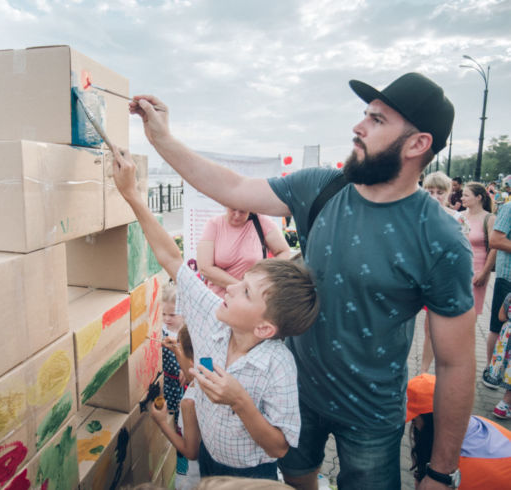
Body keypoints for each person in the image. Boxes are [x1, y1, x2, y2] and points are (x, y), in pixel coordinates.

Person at [128, 72, 476, 490]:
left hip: (372, 417)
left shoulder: (440, 238)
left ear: (419, 144)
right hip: (293, 397)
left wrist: (440, 471)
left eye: (378, 120)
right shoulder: (321, 188)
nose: (358, 126)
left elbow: (456, 363)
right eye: (365, 115)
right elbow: (235, 187)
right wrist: (161, 139)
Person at [111, 146, 319, 480]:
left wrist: (240, 402)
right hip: (206, 458)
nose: (231, 287)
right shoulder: (212, 318)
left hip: (251, 476)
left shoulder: (277, 365)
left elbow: (279, 447)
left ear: (265, 328)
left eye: (246, 291)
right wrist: (132, 194)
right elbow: (171, 258)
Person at [407, 373, 511, 489]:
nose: (413, 423)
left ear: (430, 420)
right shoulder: (476, 422)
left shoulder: (452, 469)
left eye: (415, 419)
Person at [420, 171, 470, 373]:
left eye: (440, 192)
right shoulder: (415, 216)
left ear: (448, 193)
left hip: (443, 281)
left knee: (433, 331)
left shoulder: (457, 219)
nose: (434, 196)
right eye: (430, 191)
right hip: (416, 278)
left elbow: (463, 253)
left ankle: (425, 371)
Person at [197, 208, 290, 298]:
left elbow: (284, 251)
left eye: (243, 211)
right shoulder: (214, 224)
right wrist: (243, 287)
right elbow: (204, 268)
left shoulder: (261, 222)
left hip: (249, 302)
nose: (237, 215)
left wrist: (266, 277)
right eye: (233, 209)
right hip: (218, 300)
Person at [151, 326, 202, 489]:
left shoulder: (189, 403)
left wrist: (162, 423)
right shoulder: (208, 376)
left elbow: (190, 452)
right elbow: (190, 371)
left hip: (194, 479)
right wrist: (178, 350)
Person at [460, 182, 497, 316]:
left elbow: (494, 248)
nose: (462, 198)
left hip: (477, 270)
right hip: (458, 268)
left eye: (466, 195)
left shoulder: (489, 218)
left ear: (479, 197)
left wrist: (485, 273)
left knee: (470, 312)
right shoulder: (461, 216)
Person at [485, 200, 511, 390]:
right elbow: (496, 240)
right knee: (498, 325)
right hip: (508, 277)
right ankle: (491, 371)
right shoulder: (509, 208)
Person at [160, 283, 186, 421]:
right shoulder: (161, 331)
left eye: (172, 315)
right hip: (167, 383)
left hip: (183, 384)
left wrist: (187, 367)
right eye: (163, 314)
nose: (166, 319)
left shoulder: (187, 333)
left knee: (182, 415)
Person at [483, 292, 511, 419]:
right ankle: (504, 405)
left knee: (507, 369)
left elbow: (501, 317)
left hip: (507, 336)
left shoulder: (509, 296)